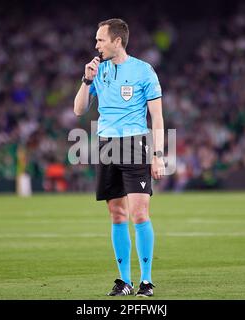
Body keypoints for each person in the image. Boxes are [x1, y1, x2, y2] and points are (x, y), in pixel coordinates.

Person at [73, 18, 165, 297]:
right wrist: (86, 80)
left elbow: (157, 117)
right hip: (106, 145)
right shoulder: (97, 71)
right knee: (117, 214)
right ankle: (124, 281)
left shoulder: (143, 71)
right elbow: (78, 110)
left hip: (135, 145)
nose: (96, 45)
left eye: (100, 40)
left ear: (117, 41)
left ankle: (146, 282)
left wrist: (158, 155)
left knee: (139, 214)